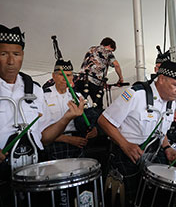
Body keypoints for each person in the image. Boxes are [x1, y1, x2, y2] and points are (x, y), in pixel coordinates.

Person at [0, 24, 84, 205]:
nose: (11, 61)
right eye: (3, 54)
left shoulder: (34, 90)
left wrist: (67, 117)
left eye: (16, 54)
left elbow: (44, 137)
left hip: (34, 172)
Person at [98, 60, 176, 207]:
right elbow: (104, 121)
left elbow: (160, 129)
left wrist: (167, 148)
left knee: (154, 198)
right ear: (161, 79)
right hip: (127, 154)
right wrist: (125, 145)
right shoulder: (135, 94)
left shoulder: (170, 101)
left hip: (154, 153)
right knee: (130, 201)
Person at [43, 59, 98, 160]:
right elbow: (40, 131)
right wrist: (67, 139)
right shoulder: (44, 96)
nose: (65, 78)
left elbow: (89, 117)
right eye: (61, 74)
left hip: (77, 142)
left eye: (68, 75)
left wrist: (93, 129)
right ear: (53, 76)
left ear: (72, 77)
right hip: (54, 143)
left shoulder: (78, 96)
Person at [75, 37, 124, 109]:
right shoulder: (107, 52)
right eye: (112, 50)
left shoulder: (91, 49)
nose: (111, 52)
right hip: (94, 83)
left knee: (78, 104)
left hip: (81, 79)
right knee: (98, 107)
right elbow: (116, 65)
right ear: (109, 46)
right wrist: (121, 78)